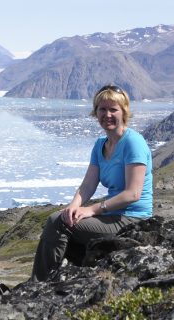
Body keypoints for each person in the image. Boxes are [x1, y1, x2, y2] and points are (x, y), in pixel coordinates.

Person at [30, 84, 153, 281]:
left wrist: (93, 210)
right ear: (95, 112)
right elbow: (88, 185)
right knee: (65, 220)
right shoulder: (100, 146)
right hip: (112, 216)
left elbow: (133, 194)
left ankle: (39, 284)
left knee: (57, 223)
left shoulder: (133, 142)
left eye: (113, 109)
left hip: (133, 219)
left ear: (124, 112)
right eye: (102, 109)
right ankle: (75, 277)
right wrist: (73, 206)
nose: (107, 114)